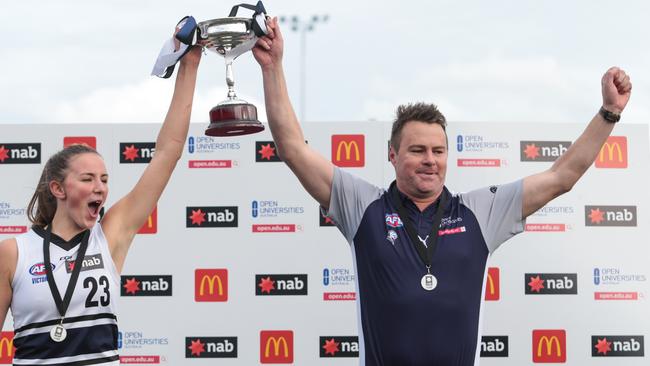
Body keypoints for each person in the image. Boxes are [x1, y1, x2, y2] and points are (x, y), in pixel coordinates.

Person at [253, 18, 632, 365]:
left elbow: (561, 176)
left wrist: (609, 112)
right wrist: (273, 67)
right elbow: (292, 148)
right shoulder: (362, 205)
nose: (430, 160)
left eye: (438, 151)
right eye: (417, 150)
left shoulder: (481, 212)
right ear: (392, 154)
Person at [0, 42, 202, 365]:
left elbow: (168, 152)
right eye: (88, 179)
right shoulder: (14, 252)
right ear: (58, 188)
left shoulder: (109, 236)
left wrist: (190, 64)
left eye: (105, 180)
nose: (100, 188)